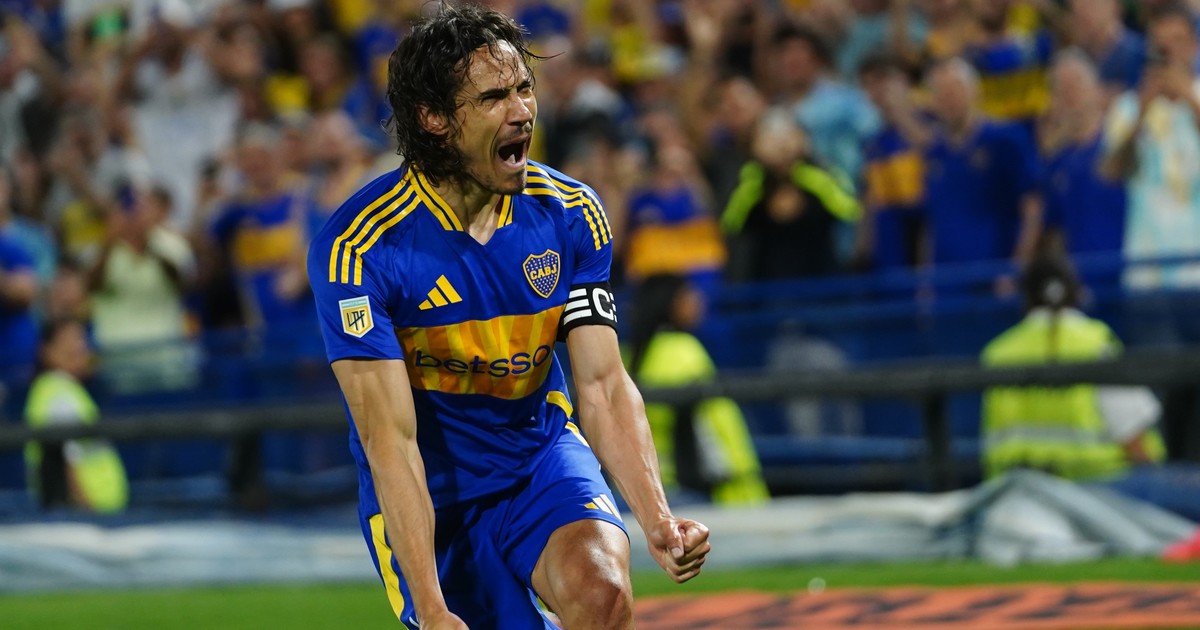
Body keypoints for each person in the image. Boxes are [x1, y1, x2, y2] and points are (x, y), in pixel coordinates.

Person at [306, 6, 710, 629]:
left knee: (602, 593)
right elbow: (391, 444)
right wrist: (433, 610)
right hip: (436, 496)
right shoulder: (359, 250)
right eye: (494, 97)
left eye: (525, 88)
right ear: (435, 118)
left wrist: (657, 518)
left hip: (540, 457)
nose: (522, 111)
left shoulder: (571, 213)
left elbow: (602, 385)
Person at [981, 251, 1166, 482]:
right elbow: (1131, 433)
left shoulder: (998, 353)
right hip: (1096, 492)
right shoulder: (1095, 344)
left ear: (1026, 296)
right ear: (1077, 292)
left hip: (1017, 494)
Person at [629, 274, 769, 506]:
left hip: (654, 488)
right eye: (688, 295)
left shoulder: (634, 354)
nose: (698, 300)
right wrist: (740, 487)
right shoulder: (683, 351)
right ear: (670, 303)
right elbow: (713, 428)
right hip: (697, 491)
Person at [24, 318, 129, 513]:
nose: (79, 347)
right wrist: (84, 510)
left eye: (81, 339)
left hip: (99, 517)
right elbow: (66, 462)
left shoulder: (68, 389)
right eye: (69, 340)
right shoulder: (57, 391)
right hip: (85, 518)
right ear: (47, 351)